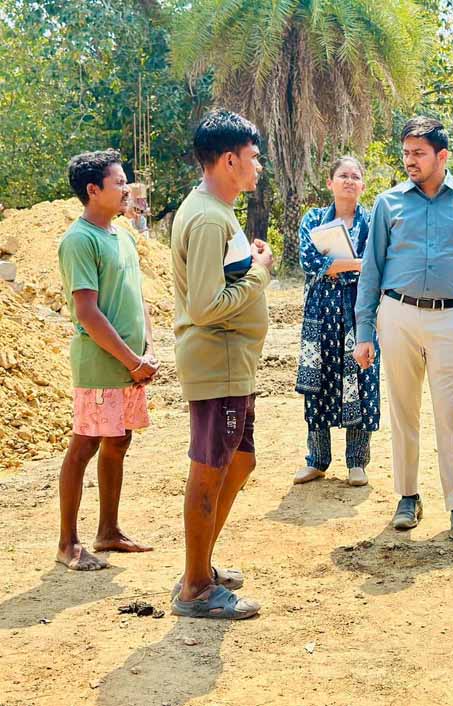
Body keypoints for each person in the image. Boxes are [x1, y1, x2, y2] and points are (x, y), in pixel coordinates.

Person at [354, 117, 453, 542]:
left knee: (451, 411)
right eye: (406, 153)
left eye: (419, 153)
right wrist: (364, 332)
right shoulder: (388, 204)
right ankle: (407, 496)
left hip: (448, 318)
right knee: (404, 409)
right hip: (397, 315)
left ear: (442, 155)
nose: (410, 161)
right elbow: (371, 270)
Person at [170, 110, 274, 619]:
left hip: (233, 363)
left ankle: (201, 566)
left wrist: (247, 262)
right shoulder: (210, 217)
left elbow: (219, 277)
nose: (259, 166)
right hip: (219, 361)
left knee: (240, 461)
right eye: (253, 157)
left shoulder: (214, 211)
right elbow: (206, 305)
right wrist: (260, 274)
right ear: (230, 160)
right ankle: (195, 587)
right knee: (210, 471)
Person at [55, 149, 158, 571]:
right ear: (93, 190)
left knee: (119, 440)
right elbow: (87, 313)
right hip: (101, 366)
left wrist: (148, 350)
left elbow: (137, 298)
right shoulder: (79, 240)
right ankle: (68, 543)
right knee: (86, 444)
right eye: (118, 183)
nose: (126, 189)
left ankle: (108, 531)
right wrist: (132, 359)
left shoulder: (123, 236)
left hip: (130, 365)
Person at [294, 156, 379, 487]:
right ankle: (317, 460)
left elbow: (379, 262)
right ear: (330, 183)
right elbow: (310, 261)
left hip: (359, 312)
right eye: (343, 175)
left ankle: (357, 462)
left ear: (362, 186)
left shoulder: (371, 223)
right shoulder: (314, 219)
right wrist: (357, 264)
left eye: (355, 176)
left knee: (360, 379)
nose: (349, 181)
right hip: (319, 313)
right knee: (318, 382)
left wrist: (338, 265)